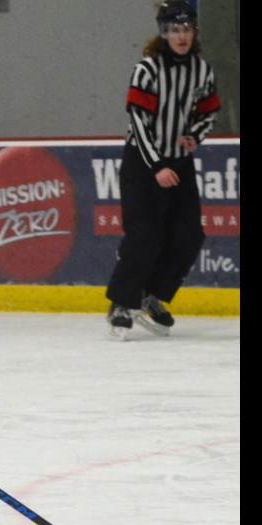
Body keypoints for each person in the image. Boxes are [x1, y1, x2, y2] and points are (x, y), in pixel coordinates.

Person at [105, 0, 221, 339]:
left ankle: (150, 296)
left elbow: (208, 111)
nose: (181, 36)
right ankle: (121, 305)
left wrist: (195, 135)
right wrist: (156, 164)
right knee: (145, 235)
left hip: (178, 162)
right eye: (174, 30)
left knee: (189, 234)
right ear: (164, 33)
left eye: (186, 30)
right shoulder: (148, 69)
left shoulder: (202, 70)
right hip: (143, 161)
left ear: (194, 32)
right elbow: (138, 121)